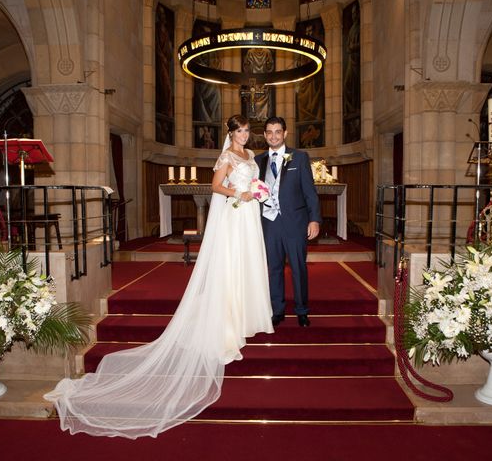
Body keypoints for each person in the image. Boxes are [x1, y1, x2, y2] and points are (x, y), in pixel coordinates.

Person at [44, 115, 273, 439]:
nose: (245, 136)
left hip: (249, 217)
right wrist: (240, 194)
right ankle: (227, 323)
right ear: (231, 134)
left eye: (247, 131)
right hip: (236, 217)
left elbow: (253, 182)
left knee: (249, 265)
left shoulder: (250, 156)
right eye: (240, 131)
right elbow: (216, 187)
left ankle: (248, 316)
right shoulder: (226, 157)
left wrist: (255, 191)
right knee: (232, 266)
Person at [255, 116, 321, 328]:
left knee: (298, 267)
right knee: (273, 268)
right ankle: (277, 311)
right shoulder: (258, 161)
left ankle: (302, 310)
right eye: (269, 132)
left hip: (295, 223)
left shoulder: (299, 158)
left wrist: (314, 219)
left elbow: (310, 192)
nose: (273, 136)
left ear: (285, 133)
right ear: (265, 135)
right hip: (269, 223)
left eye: (277, 131)